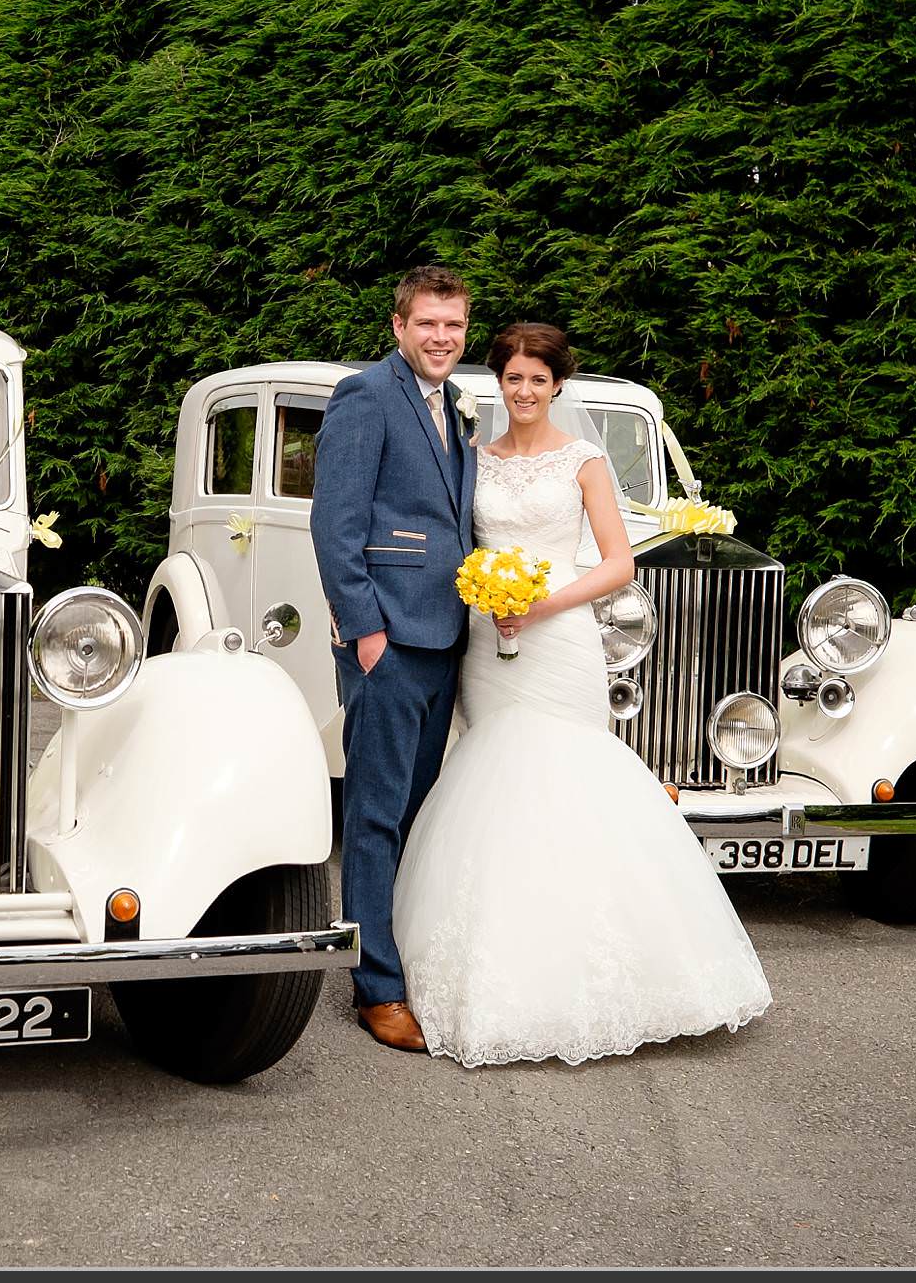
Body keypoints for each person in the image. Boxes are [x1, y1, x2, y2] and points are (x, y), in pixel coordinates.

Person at [391, 321, 774, 1069]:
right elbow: (459, 543)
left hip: (558, 641)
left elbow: (619, 565)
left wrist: (542, 600)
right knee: (493, 776)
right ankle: (490, 961)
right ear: (495, 384)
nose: (524, 391)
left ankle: (598, 968)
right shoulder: (475, 460)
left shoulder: (585, 459)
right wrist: (486, 593)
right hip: (488, 639)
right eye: (512, 378)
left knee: (567, 773)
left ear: (558, 385)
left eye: (538, 379)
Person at [307, 263, 479, 1054]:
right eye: (428, 324)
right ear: (399, 327)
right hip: (389, 642)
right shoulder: (365, 396)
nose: (442, 338)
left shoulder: (454, 407)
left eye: (454, 326)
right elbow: (335, 525)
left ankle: (400, 948)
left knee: (418, 811)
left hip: (447, 639)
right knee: (373, 818)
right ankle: (375, 986)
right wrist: (365, 633)